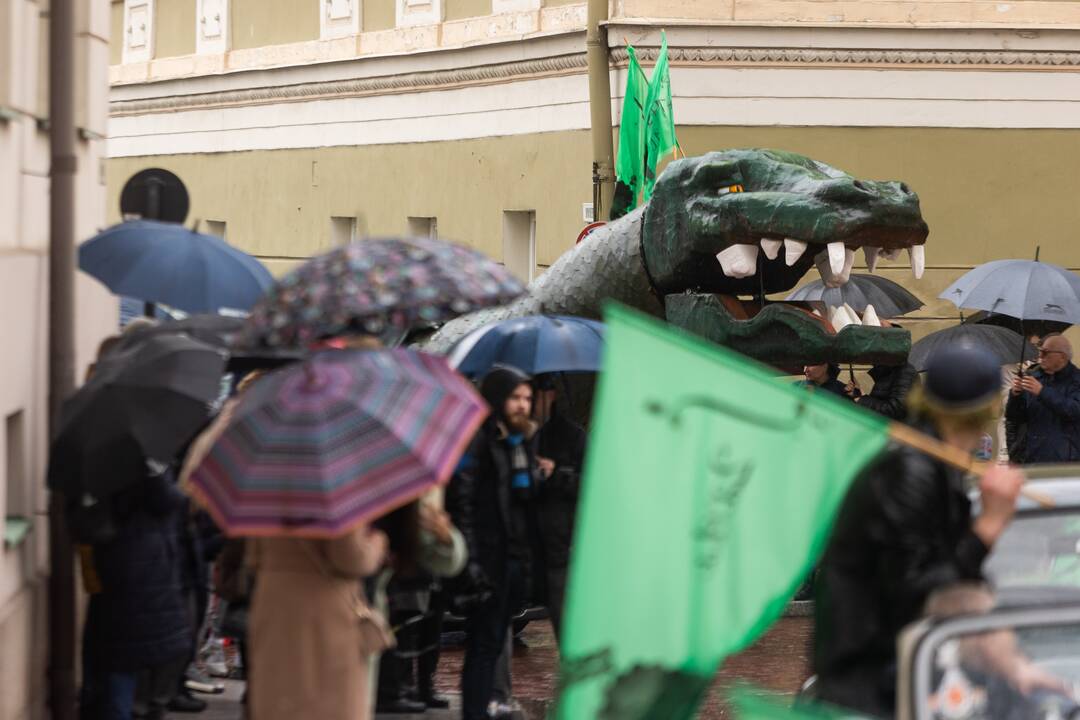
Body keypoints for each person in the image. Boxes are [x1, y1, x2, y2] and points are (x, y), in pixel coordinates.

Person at [814, 345, 1028, 718]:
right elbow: (916, 590)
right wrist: (988, 528)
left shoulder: (935, 464)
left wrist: (1010, 665)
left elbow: (958, 588)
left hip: (901, 669)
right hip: (868, 684)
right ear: (990, 408)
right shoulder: (910, 471)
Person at [446, 365, 543, 720]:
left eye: (527, 398)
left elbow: (525, 499)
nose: (523, 405)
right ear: (498, 399)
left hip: (512, 559)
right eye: (516, 398)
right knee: (483, 647)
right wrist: (471, 562)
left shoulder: (517, 443)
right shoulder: (478, 441)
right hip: (487, 559)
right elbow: (463, 503)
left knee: (493, 639)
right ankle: (474, 712)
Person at [246, 525, 389, 720]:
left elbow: (254, 557)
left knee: (278, 685)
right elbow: (351, 559)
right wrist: (376, 543)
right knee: (328, 694)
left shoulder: (266, 500)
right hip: (323, 606)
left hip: (273, 599)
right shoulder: (335, 499)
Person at [532, 373, 587, 637]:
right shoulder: (516, 435)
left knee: (567, 627)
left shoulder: (572, 436)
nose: (529, 402)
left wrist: (557, 474)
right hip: (526, 547)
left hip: (560, 547)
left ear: (551, 395)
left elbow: (592, 485)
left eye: (536, 394)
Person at [1006, 333, 1080, 464]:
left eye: (1046, 353)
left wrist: (1042, 392)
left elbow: (1074, 410)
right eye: (1040, 351)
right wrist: (1015, 395)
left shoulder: (1076, 380)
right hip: (1031, 458)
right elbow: (1015, 417)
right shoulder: (1032, 376)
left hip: (1067, 461)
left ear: (1062, 357)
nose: (1040, 357)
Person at [845, 362, 918, 420]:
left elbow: (896, 410)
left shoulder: (905, 371)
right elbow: (881, 401)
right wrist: (858, 394)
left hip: (898, 434)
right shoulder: (885, 371)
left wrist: (862, 400)